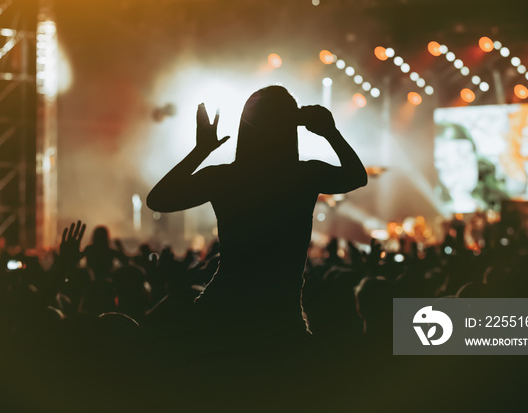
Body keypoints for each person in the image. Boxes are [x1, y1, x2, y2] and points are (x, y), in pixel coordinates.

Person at [147, 85, 367, 355]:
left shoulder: (225, 176)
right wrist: (329, 132)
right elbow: (357, 176)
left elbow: (158, 199)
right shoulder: (304, 175)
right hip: (280, 318)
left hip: (222, 311)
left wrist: (201, 150)